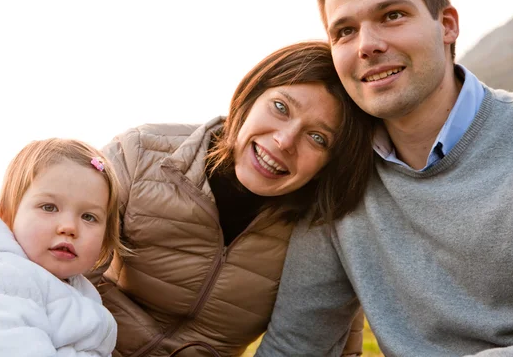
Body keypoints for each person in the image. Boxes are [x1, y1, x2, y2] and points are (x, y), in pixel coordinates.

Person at [255, 0, 513, 356]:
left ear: (447, 25)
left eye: (392, 15)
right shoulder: (341, 177)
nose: (367, 44)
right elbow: (296, 344)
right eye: (345, 31)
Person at [89, 41, 376, 357]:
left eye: (317, 138)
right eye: (281, 107)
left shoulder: (324, 231)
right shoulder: (138, 155)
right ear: (250, 97)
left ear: (331, 162)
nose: (284, 141)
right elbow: (50, 274)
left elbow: (336, 346)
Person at [0, 138, 131, 356]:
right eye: (49, 207)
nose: (69, 227)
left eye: (89, 217)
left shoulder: (76, 288)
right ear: (7, 215)